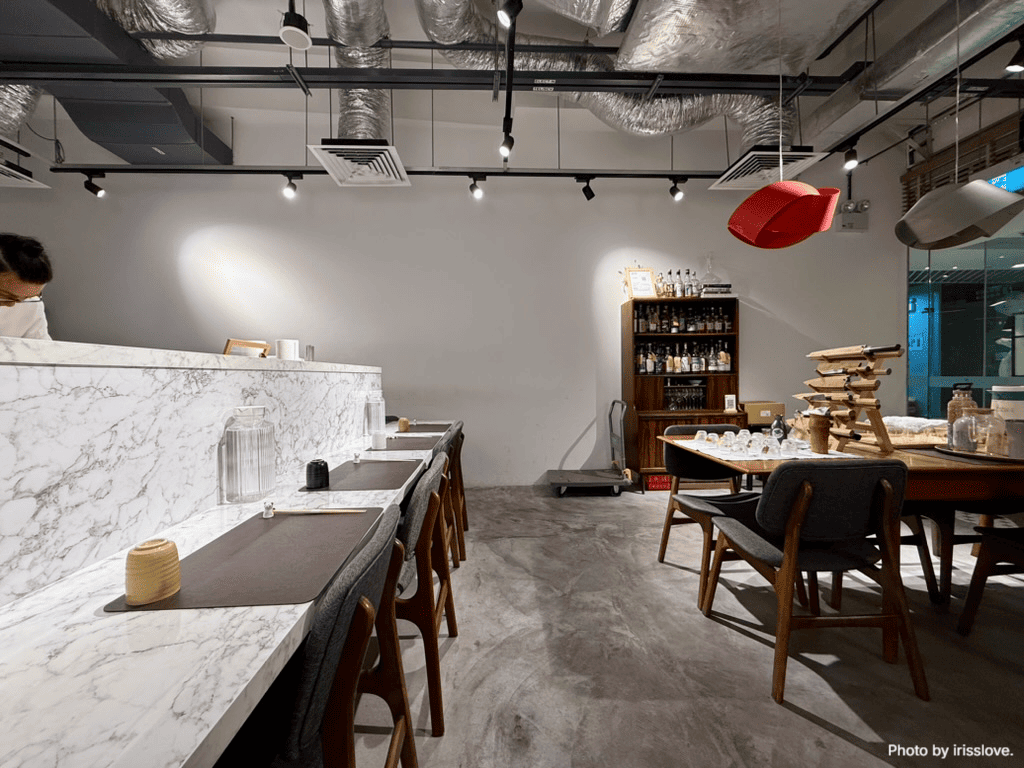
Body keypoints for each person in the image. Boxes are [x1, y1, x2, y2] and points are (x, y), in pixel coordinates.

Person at [0, 233, 53, 340]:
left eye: (29, 297)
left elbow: (41, 348)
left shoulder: (31, 303)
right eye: (8, 296)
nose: (15, 305)